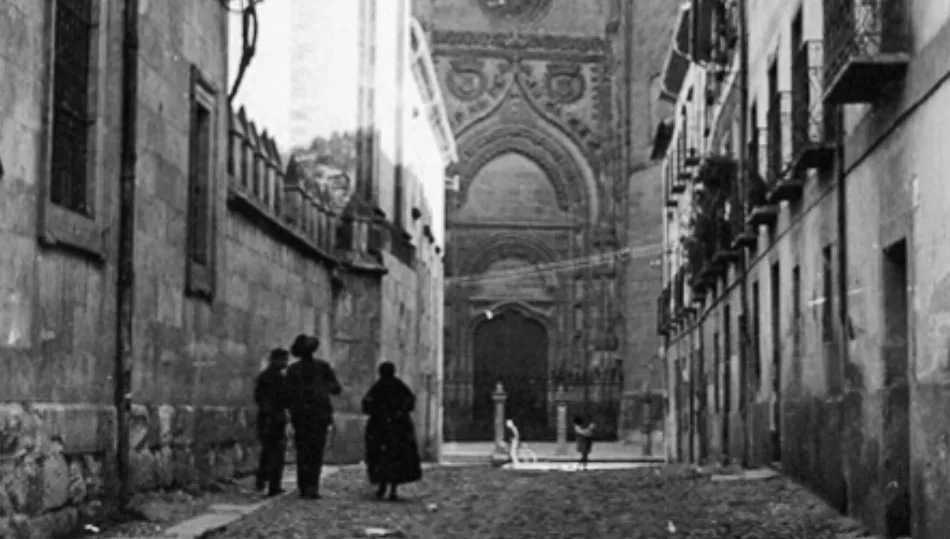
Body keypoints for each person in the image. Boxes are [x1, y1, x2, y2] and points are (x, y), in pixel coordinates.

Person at [284, 334, 342, 499]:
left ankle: (305, 486)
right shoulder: (322, 367)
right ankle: (311, 486)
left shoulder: (294, 369)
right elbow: (336, 388)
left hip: (304, 415)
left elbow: (287, 394)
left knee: (304, 451)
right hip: (316, 415)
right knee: (315, 451)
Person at [362, 362, 423, 501]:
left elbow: (366, 404)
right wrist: (399, 413)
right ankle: (393, 488)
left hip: (380, 427)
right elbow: (410, 401)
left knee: (382, 457)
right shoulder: (399, 386)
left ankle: (383, 485)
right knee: (396, 457)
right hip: (398, 427)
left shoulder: (378, 387)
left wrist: (378, 413)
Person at [254, 348, 290, 496]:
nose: (286, 363)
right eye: (284, 360)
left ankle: (262, 480)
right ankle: (274, 485)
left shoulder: (264, 377)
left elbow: (258, 398)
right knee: (276, 453)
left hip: (266, 418)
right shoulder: (276, 378)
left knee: (267, 451)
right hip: (274, 418)